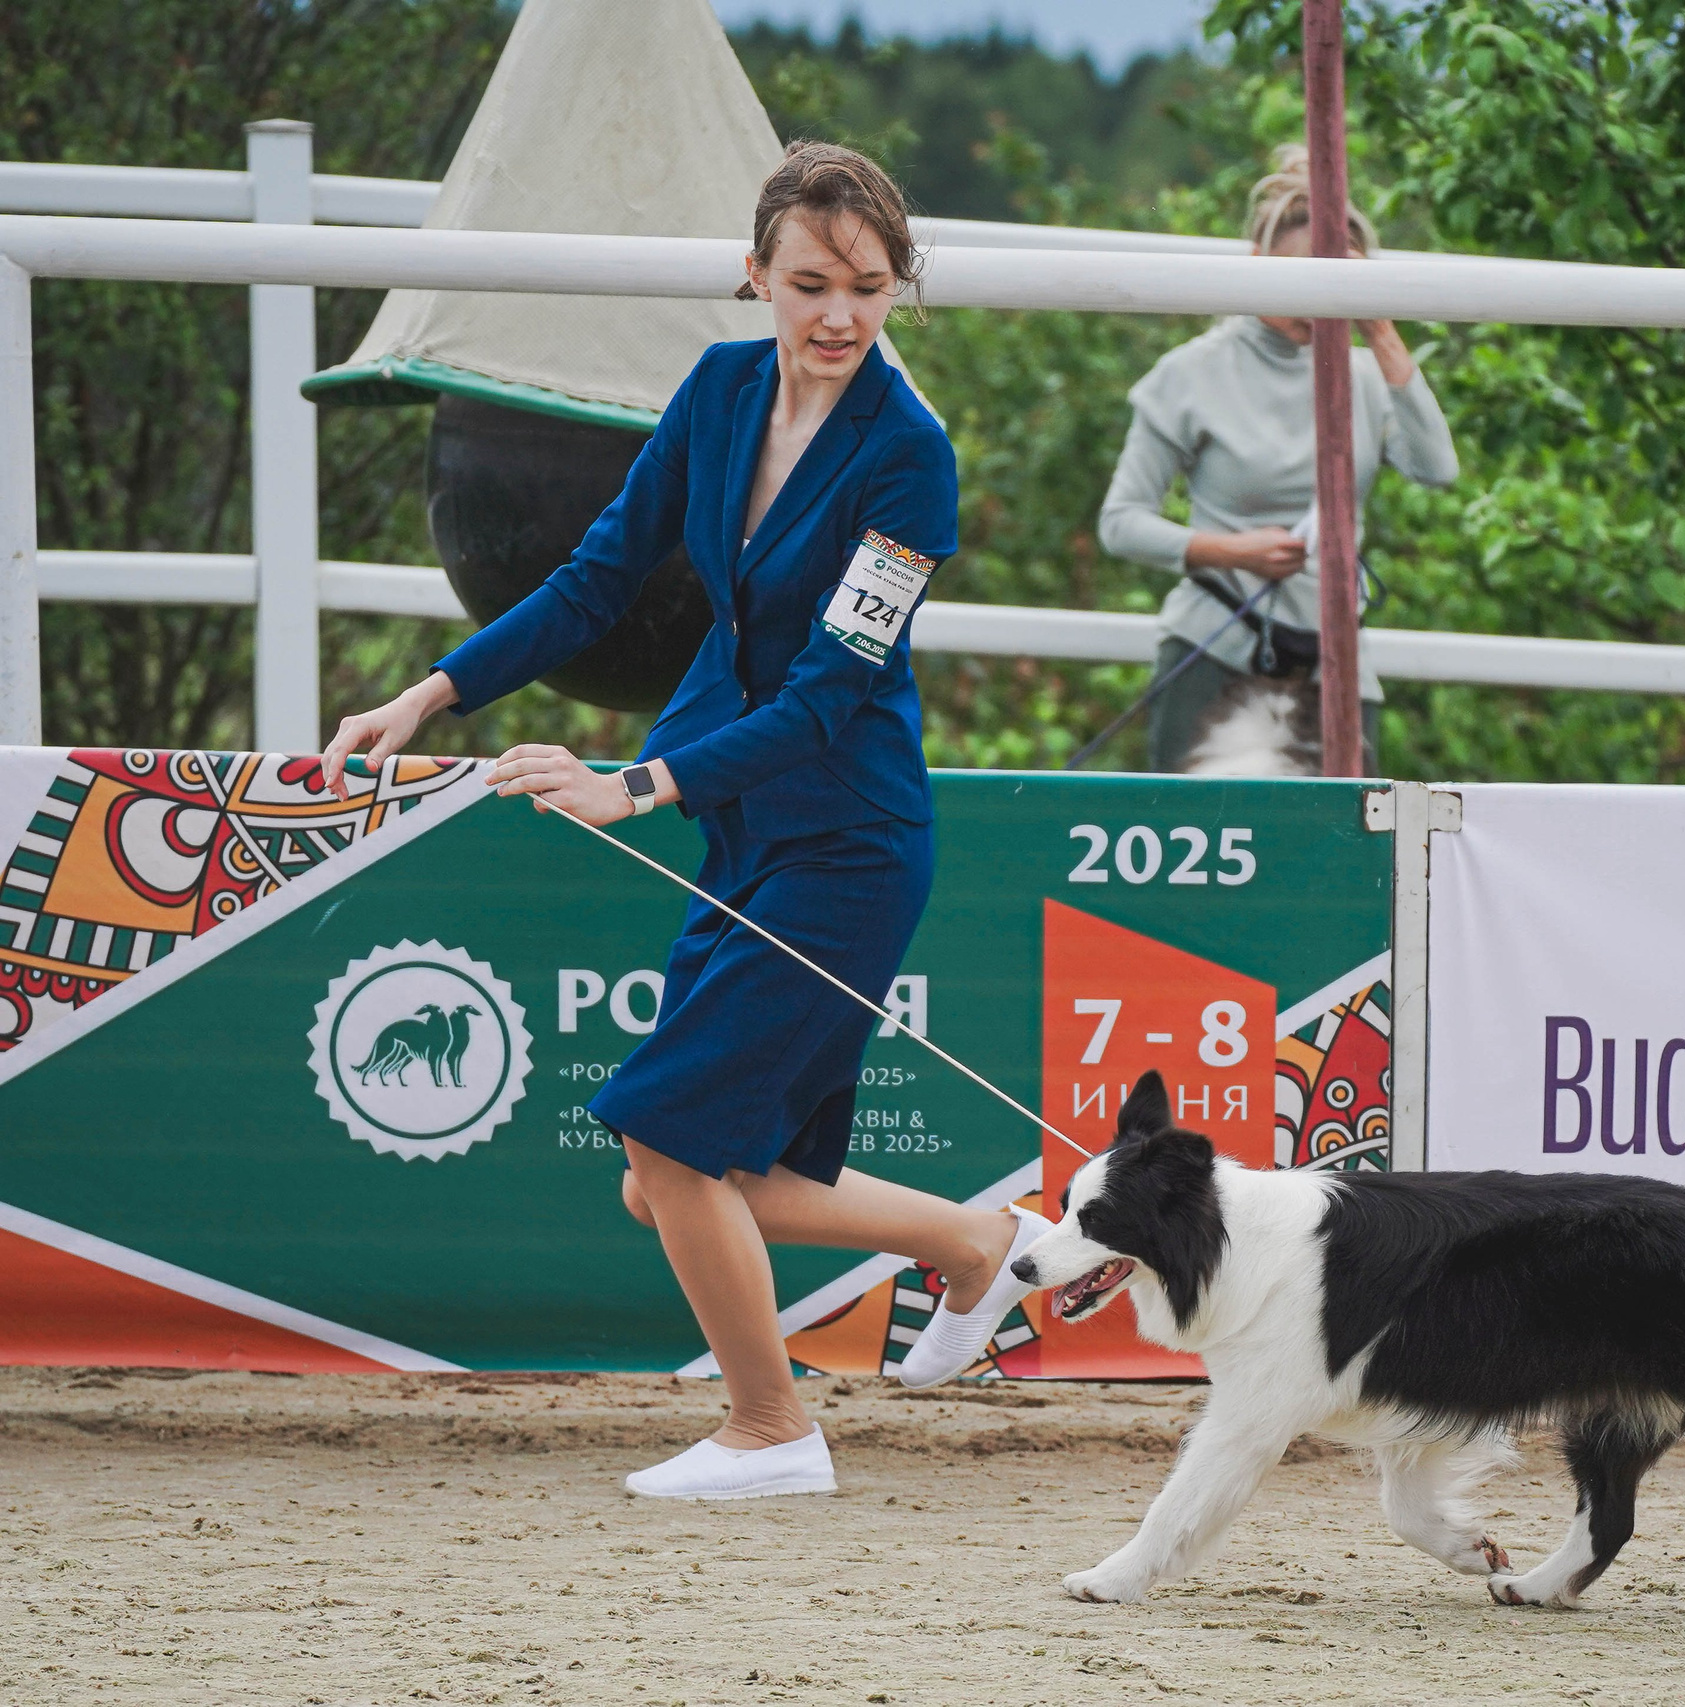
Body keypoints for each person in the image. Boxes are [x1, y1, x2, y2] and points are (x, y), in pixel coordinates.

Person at [319, 143, 1051, 1500]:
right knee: (667, 1174)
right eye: (811, 283)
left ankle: (773, 1429)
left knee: (670, 1140)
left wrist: (636, 783)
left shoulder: (911, 459)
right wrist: (430, 692)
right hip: (744, 831)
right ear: (755, 274)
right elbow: (594, 579)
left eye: (870, 288)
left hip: (849, 840)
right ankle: (980, 1244)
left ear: (899, 287)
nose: (839, 315)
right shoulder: (717, 391)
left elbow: (829, 694)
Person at [1098, 144, 1462, 772]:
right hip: (1216, 651)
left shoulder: (1364, 375)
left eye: (1332, 282)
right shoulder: (1190, 372)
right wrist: (1233, 552)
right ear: (1256, 266)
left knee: (1346, 839)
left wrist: (1380, 329)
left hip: (1338, 664)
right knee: (1195, 837)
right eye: (1297, 279)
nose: (1312, 301)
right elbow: (1120, 522)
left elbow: (1438, 469)